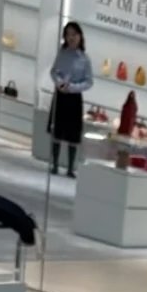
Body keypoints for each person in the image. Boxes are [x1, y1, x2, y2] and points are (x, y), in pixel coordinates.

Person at [48, 21, 92, 178]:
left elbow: (89, 82)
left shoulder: (85, 59)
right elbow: (53, 71)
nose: (71, 37)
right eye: (68, 34)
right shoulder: (62, 53)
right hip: (60, 95)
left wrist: (72, 87)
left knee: (73, 134)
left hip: (74, 98)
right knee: (57, 131)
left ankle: (70, 168)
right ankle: (54, 165)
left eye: (74, 34)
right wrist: (59, 82)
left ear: (80, 36)